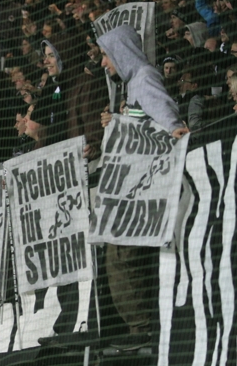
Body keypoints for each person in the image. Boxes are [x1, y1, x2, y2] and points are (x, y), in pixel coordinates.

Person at [97, 24, 188, 351]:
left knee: (121, 253)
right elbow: (144, 124)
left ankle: (143, 333)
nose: (104, 64)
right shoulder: (135, 83)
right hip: (134, 189)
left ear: (120, 52)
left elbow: (174, 127)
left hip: (146, 190)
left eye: (106, 55)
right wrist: (119, 122)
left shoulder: (145, 78)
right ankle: (142, 330)